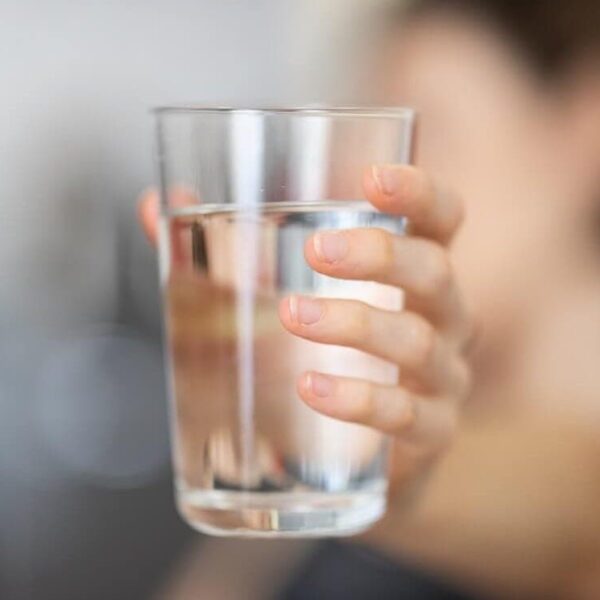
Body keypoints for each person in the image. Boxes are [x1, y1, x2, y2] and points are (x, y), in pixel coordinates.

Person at [141, 0, 600, 598]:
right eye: (356, 141)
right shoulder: (334, 430)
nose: (358, 182)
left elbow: (576, 502)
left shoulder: (562, 484)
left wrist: (394, 482)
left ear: (585, 126)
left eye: (424, 130)